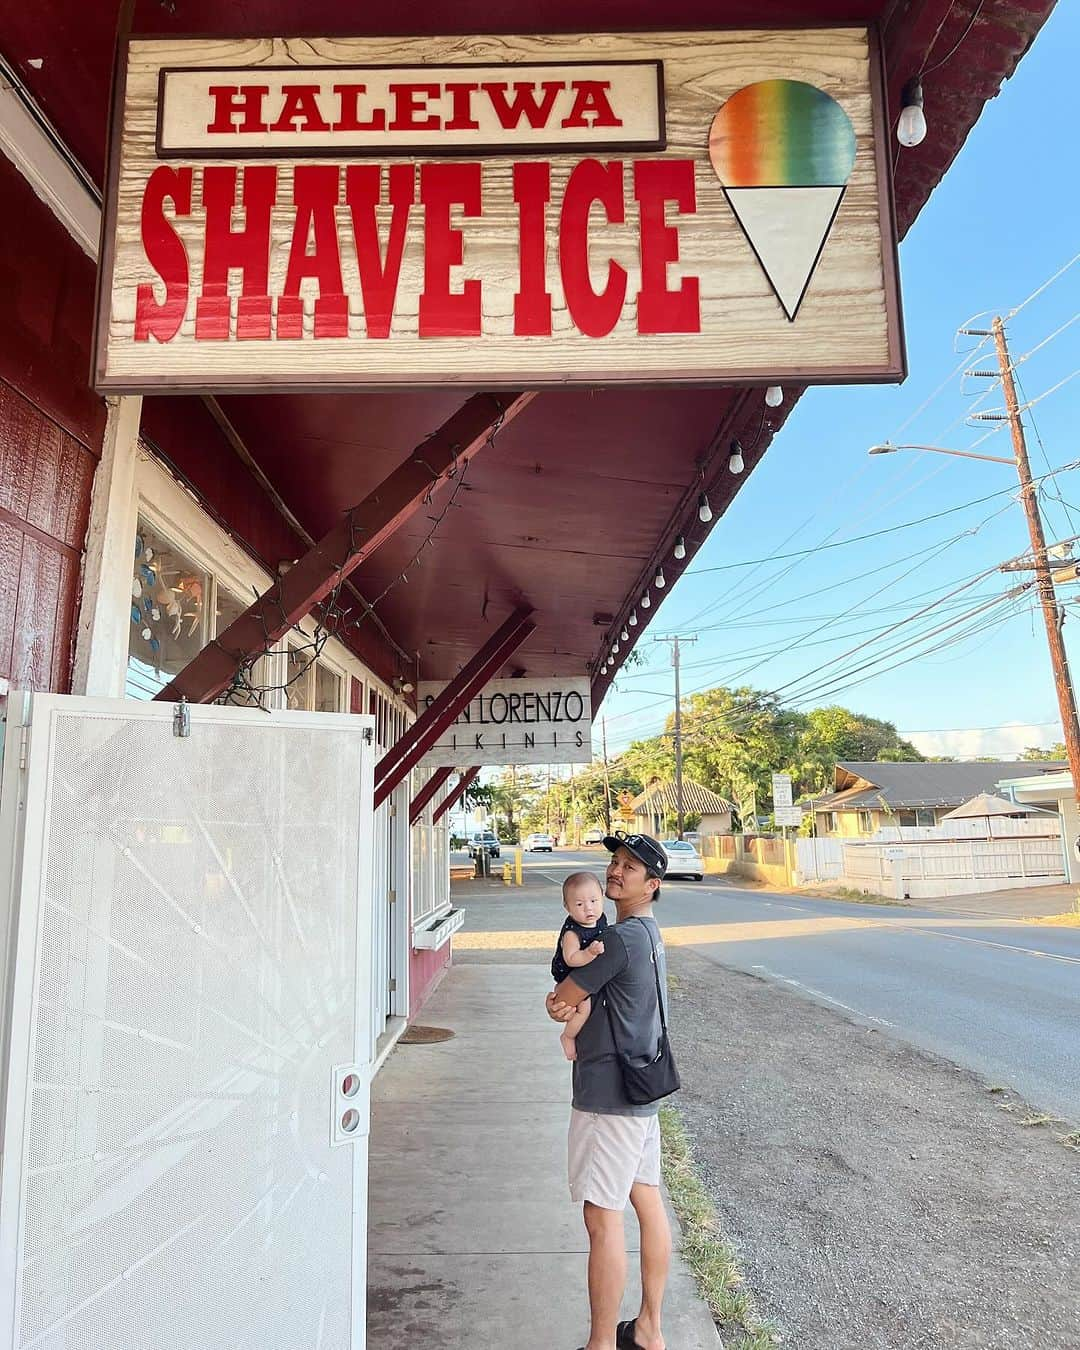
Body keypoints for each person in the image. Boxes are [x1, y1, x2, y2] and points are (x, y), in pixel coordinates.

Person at [547, 832, 673, 1350]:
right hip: (642, 1096)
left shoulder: (617, 940)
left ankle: (601, 1344)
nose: (617, 872)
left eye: (631, 867)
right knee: (646, 1201)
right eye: (615, 862)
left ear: (652, 884)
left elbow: (562, 996)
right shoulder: (649, 933)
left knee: (602, 1218)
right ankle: (648, 1329)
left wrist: (561, 1004)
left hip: (607, 1096)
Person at [551, 871, 609, 1062]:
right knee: (584, 1007)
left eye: (594, 901)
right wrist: (590, 953)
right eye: (579, 904)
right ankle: (568, 1036)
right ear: (567, 907)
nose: (588, 908)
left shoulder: (600, 919)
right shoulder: (572, 933)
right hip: (569, 975)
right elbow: (571, 958)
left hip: (586, 972)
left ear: (602, 897)